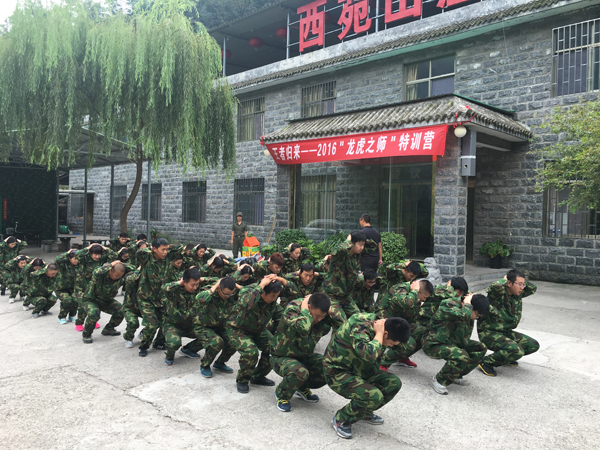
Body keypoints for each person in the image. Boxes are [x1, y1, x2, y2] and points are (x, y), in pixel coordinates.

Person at [323, 313, 410, 439]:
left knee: (393, 383)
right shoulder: (360, 325)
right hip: (338, 372)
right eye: (391, 343)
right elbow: (368, 353)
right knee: (373, 396)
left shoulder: (385, 326)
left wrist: (393, 339)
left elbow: (400, 346)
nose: (391, 346)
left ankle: (363, 411)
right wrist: (379, 335)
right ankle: (341, 419)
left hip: (362, 370)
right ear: (385, 334)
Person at [271, 293, 341, 412]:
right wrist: (304, 309)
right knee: (299, 372)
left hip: (304, 356)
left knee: (329, 366)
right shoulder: (293, 308)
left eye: (322, 317)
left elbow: (343, 324)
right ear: (309, 307)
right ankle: (282, 394)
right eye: (317, 316)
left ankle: (301, 387)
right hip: (281, 357)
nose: (319, 319)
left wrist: (331, 310)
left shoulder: (320, 312)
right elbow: (303, 327)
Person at [423, 293, 489, 395]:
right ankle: (439, 380)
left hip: (453, 342)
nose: (477, 318)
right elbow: (463, 315)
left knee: (480, 348)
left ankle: (455, 375)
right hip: (434, 343)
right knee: (461, 355)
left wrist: (476, 299)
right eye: (477, 314)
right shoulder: (448, 304)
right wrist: (468, 304)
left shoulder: (468, 309)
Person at [227, 275, 282, 394]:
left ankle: (258, 376)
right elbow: (245, 304)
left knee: (274, 348)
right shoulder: (248, 291)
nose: (275, 299)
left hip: (257, 330)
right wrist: (261, 285)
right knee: (251, 352)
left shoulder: (272, 301)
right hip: (238, 329)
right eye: (273, 296)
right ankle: (242, 380)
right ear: (263, 291)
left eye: (276, 296)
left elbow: (281, 317)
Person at [477, 269, 539, 377]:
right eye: (519, 284)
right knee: (517, 351)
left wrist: (521, 283)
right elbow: (494, 286)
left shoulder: (518, 294)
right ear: (509, 283)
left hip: (505, 332)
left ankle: (507, 357)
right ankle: (486, 362)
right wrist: (505, 280)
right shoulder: (497, 293)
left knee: (533, 345)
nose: (522, 288)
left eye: (523, 285)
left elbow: (533, 288)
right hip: (489, 333)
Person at [136, 238, 181, 357]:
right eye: (163, 249)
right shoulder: (146, 258)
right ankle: (144, 346)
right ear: (154, 249)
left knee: (166, 322)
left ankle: (159, 343)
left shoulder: (167, 258)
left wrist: (168, 247)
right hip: (146, 298)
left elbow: (180, 247)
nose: (165, 252)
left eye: (167, 249)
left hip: (161, 298)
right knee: (152, 325)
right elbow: (139, 251)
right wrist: (151, 248)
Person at [377, 279, 434, 370]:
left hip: (399, 324)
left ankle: (402, 357)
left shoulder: (415, 296)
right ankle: (383, 363)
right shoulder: (400, 288)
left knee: (424, 333)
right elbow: (406, 303)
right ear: (418, 291)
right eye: (424, 297)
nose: (424, 300)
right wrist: (415, 290)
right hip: (385, 324)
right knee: (409, 343)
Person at [323, 231, 377, 322]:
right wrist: (348, 240)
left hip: (345, 296)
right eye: (360, 244)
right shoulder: (340, 255)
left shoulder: (356, 255)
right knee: (341, 322)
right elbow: (336, 250)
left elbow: (373, 246)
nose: (362, 247)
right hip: (332, 295)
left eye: (363, 245)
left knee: (359, 319)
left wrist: (361, 239)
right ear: (351, 243)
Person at [194, 277, 238, 378]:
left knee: (234, 341)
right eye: (225, 294)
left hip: (221, 327)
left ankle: (220, 363)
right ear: (219, 288)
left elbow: (249, 293)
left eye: (230, 294)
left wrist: (237, 286)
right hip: (203, 327)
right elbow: (199, 298)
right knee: (216, 342)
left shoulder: (231, 295)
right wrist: (215, 287)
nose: (228, 297)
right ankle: (205, 365)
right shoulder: (210, 292)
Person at [162, 267, 204, 365]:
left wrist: (203, 279)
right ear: (184, 282)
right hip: (173, 325)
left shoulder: (197, 290)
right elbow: (164, 288)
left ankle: (188, 349)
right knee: (174, 343)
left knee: (209, 337)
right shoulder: (175, 291)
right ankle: (169, 355)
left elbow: (218, 282)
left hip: (190, 326)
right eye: (192, 285)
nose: (195, 287)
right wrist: (179, 283)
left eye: (197, 284)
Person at [81, 261, 130, 344]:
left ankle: (108, 329)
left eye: (120, 276)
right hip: (91, 300)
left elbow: (133, 268)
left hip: (106, 301)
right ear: (111, 270)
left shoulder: (119, 279)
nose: (118, 277)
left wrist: (121, 264)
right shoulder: (101, 276)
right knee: (94, 314)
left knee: (121, 311)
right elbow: (96, 272)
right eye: (117, 275)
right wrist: (111, 264)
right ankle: (86, 334)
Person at [73, 244, 115, 331]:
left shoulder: (101, 259)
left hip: (94, 287)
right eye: (95, 254)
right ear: (90, 253)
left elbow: (114, 256)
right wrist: (88, 248)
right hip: (82, 287)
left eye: (99, 254)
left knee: (95, 304)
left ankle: (93, 320)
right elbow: (77, 254)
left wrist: (105, 248)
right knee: (83, 305)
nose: (97, 256)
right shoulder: (85, 258)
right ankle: (79, 322)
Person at [54, 250, 80, 324]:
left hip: (72, 288)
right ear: (69, 258)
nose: (76, 260)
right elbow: (57, 259)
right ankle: (62, 316)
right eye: (75, 258)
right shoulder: (63, 264)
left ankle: (72, 315)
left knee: (76, 300)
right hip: (61, 289)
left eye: (78, 259)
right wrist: (67, 253)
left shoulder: (79, 265)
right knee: (67, 300)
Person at [122, 268, 142, 348]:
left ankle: (144, 333)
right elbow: (129, 280)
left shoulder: (151, 276)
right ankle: (128, 338)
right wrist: (138, 270)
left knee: (158, 320)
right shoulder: (131, 275)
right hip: (130, 307)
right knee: (133, 323)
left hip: (144, 307)